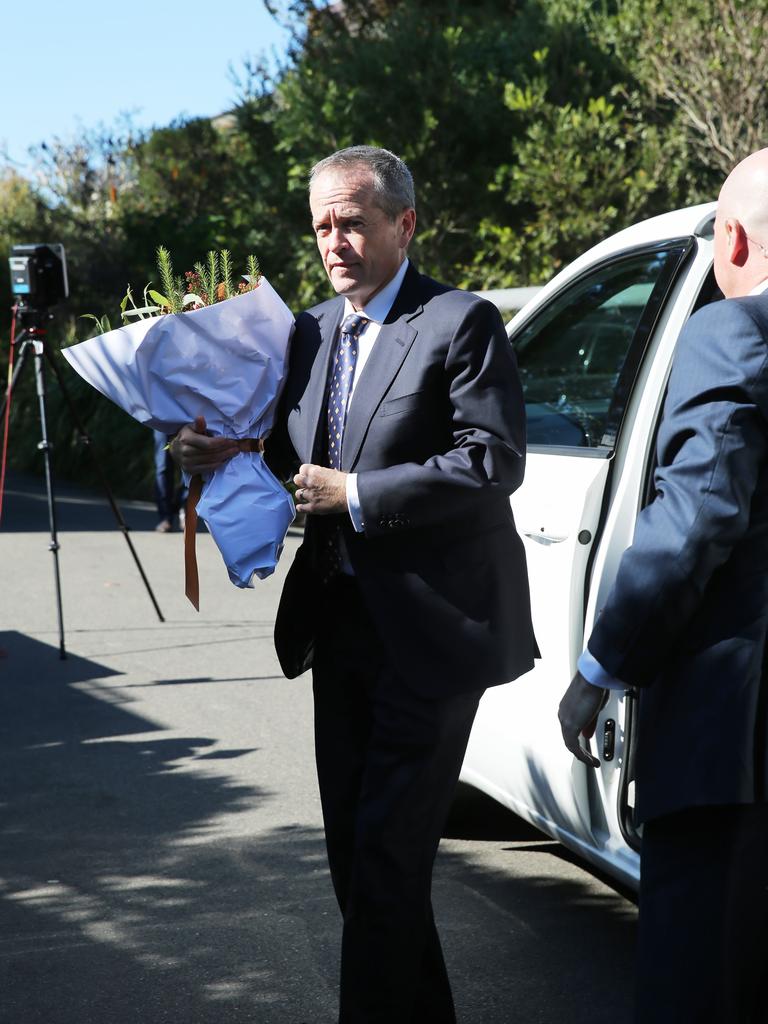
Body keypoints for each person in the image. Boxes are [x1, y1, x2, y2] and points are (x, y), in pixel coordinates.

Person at [173, 145, 537, 1023]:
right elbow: (276, 450)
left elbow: (494, 462)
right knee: (360, 864)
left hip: (432, 634)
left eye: (353, 222)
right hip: (338, 629)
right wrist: (203, 454)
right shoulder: (306, 333)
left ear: (403, 224)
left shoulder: (460, 321)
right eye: (322, 226)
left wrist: (360, 493)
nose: (334, 242)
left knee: (385, 860)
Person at [558, 148, 768, 1023]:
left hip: (733, 750)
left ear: (733, 237)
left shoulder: (735, 330)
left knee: (703, 974)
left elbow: (693, 519)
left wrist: (600, 668)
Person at [153, 428, 186, 532]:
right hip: (162, 421)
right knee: (163, 466)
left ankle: (185, 509)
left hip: (189, 418)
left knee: (188, 464)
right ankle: (165, 516)